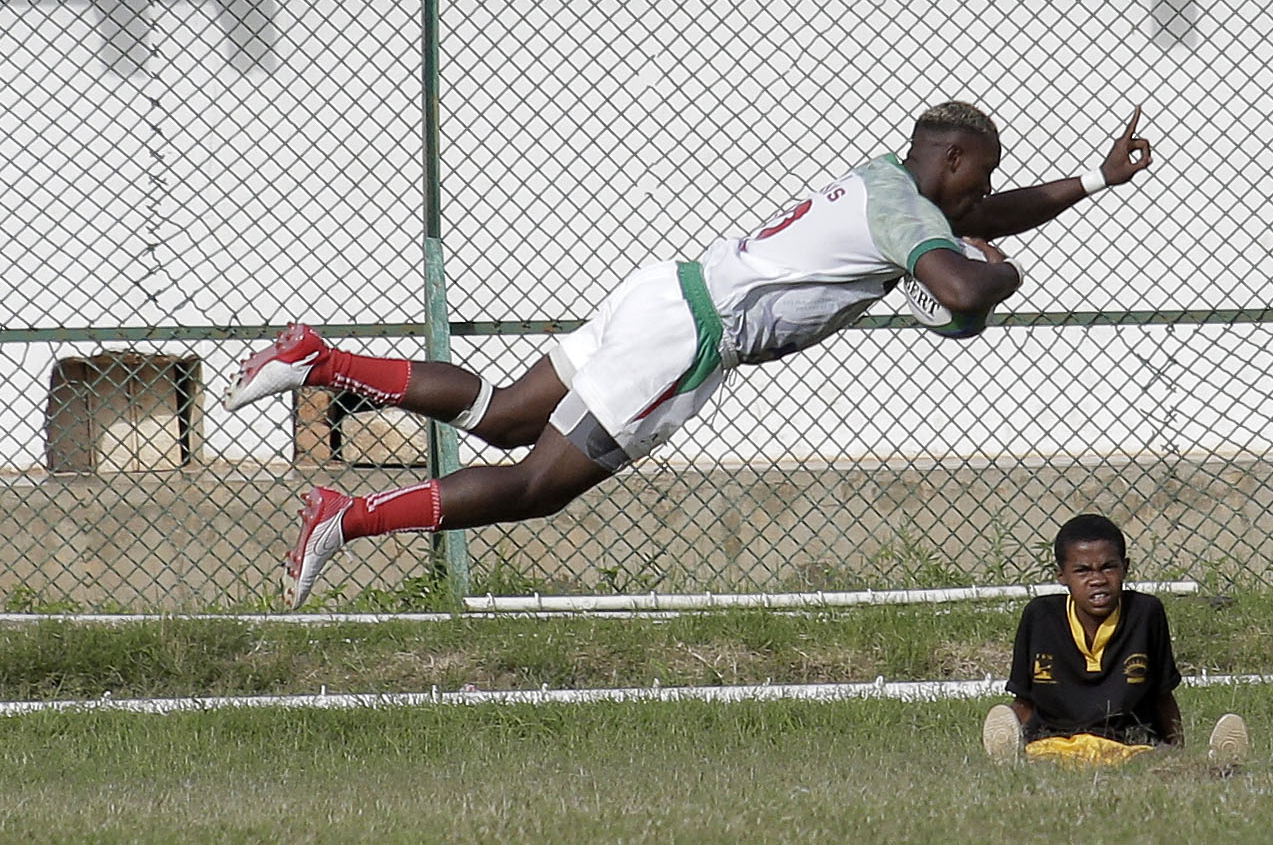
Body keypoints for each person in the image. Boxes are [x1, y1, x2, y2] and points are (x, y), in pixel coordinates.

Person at [223, 101, 1154, 608]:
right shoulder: (909, 218)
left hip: (666, 288)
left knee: (503, 414)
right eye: (981, 175)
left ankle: (318, 359)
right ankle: (345, 518)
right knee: (537, 485)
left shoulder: (885, 180)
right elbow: (959, 290)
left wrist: (1092, 182)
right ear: (951, 160)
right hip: (689, 340)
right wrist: (1001, 275)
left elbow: (976, 219)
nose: (983, 195)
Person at [981, 512, 1250, 768]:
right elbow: (1025, 701)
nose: (1097, 580)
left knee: (1153, 762)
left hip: (1127, 747)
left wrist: (1178, 752)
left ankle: (1221, 761)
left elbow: (1162, 696)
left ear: (1125, 567)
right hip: (1057, 744)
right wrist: (1009, 726)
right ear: (1061, 575)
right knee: (1041, 757)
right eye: (1083, 571)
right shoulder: (1040, 616)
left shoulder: (1145, 613)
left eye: (1108, 567)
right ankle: (1009, 754)